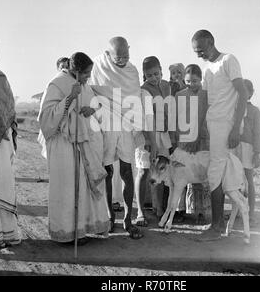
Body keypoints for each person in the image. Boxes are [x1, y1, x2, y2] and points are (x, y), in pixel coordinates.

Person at [38, 52, 110, 244]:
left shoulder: (84, 85)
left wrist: (91, 109)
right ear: (76, 70)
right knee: (67, 187)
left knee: (82, 186)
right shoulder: (56, 84)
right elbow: (46, 119)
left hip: (83, 142)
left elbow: (94, 104)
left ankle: (81, 230)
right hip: (63, 143)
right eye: (86, 73)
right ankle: (66, 233)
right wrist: (69, 98)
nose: (88, 77)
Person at [90, 37, 155, 239]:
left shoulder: (132, 71)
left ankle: (128, 218)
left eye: (126, 55)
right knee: (108, 171)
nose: (122, 60)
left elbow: (134, 98)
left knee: (127, 171)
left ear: (129, 50)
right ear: (108, 53)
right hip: (107, 125)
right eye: (118, 57)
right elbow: (93, 90)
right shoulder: (99, 65)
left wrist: (139, 129)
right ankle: (110, 217)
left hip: (126, 125)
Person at [192, 30, 248, 241]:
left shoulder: (228, 60)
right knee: (218, 171)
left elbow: (242, 93)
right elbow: (204, 100)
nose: (199, 55)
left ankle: (216, 227)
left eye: (201, 50)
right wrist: (200, 128)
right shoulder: (208, 69)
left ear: (211, 42)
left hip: (226, 125)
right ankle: (218, 223)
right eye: (196, 52)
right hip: (212, 125)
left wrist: (235, 128)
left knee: (215, 172)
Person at [134, 56, 172, 223]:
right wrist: (149, 140)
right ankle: (140, 212)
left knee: (160, 170)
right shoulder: (142, 90)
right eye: (149, 75)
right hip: (147, 135)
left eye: (156, 73)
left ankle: (158, 207)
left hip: (163, 134)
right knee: (144, 171)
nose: (154, 78)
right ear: (144, 75)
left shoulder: (165, 86)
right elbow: (139, 117)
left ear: (161, 70)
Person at [0, 41, 21, 249]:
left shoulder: (0, 78)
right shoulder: (0, 77)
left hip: (0, 142)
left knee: (0, 183)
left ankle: (4, 235)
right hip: (2, 141)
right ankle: (3, 236)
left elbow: (9, 109)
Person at [174, 64, 209, 222]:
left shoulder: (206, 95)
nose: (191, 84)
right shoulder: (179, 95)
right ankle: (180, 210)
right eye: (188, 81)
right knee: (181, 173)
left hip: (201, 140)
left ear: (200, 79)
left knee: (198, 175)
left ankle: (200, 211)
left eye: (195, 81)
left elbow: (204, 119)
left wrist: (197, 138)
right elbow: (177, 119)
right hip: (183, 141)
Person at [234, 79, 260, 226]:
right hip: (234, 147)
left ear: (251, 93)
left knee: (248, 181)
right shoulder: (233, 108)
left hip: (248, 148)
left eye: (246, 92)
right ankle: (237, 212)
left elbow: (258, 133)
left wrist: (257, 153)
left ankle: (251, 214)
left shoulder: (254, 111)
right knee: (234, 180)